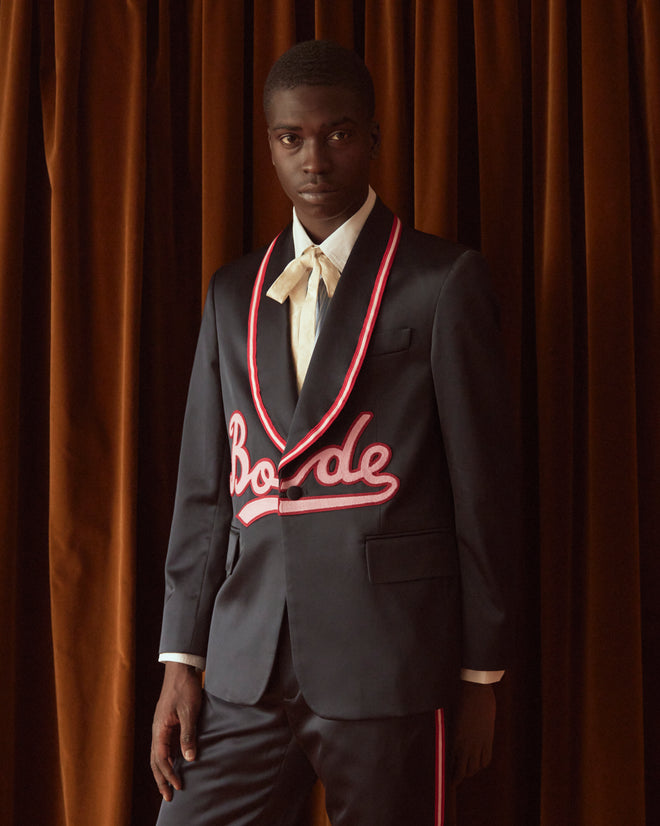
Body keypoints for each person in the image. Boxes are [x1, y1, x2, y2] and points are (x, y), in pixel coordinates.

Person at [150, 39, 519, 826]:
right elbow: (205, 492)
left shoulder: (442, 282)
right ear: (271, 146)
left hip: (385, 663)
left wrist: (482, 673)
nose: (314, 158)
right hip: (245, 665)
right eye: (292, 138)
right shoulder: (230, 295)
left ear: (373, 139)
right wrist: (182, 658)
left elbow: (482, 493)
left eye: (338, 133)